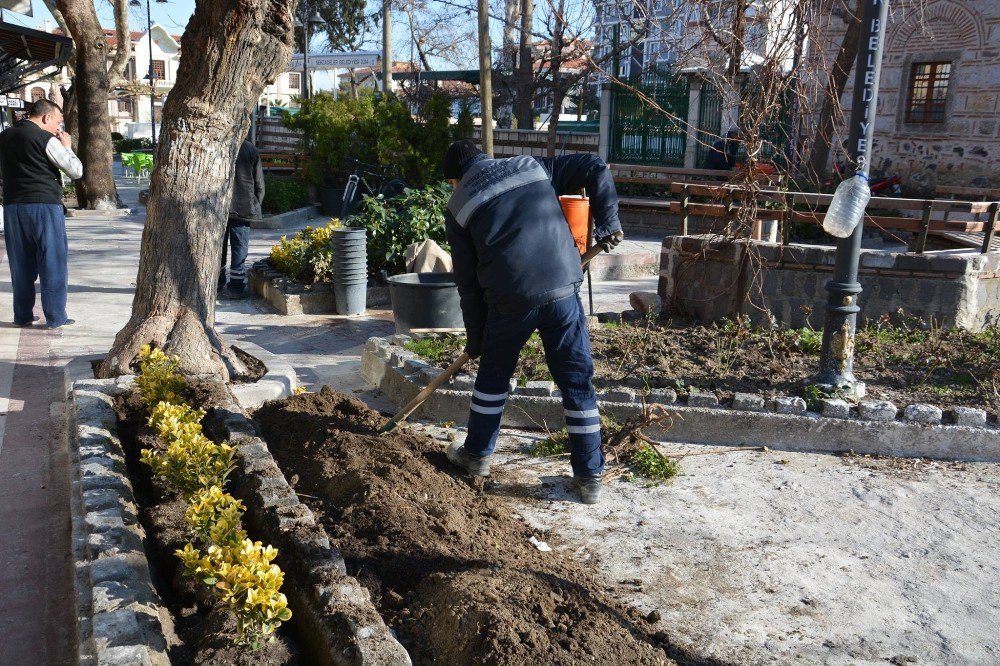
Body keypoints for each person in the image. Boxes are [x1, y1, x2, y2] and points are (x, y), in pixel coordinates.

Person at [442, 140, 624, 504]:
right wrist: (607, 224)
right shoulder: (530, 166)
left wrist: (476, 339)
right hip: (562, 289)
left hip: (508, 299)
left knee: (493, 379)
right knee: (576, 381)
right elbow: (594, 165)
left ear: (454, 179)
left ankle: (476, 457)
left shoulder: (458, 206)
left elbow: (468, 283)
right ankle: (589, 478)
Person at [0, 99, 83, 328]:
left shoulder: (4, 136)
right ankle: (56, 317)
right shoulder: (46, 139)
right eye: (57, 122)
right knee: (52, 261)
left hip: (13, 206)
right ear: (46, 117)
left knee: (20, 263)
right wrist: (67, 146)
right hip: (44, 206)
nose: (58, 128)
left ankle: (23, 315)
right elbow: (75, 171)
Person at [219, 134, 264, 298]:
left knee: (218, 248)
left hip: (218, 208)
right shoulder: (250, 149)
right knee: (239, 249)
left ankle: (217, 283)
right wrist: (255, 203)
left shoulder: (218, 144)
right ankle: (236, 288)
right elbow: (259, 182)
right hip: (243, 207)